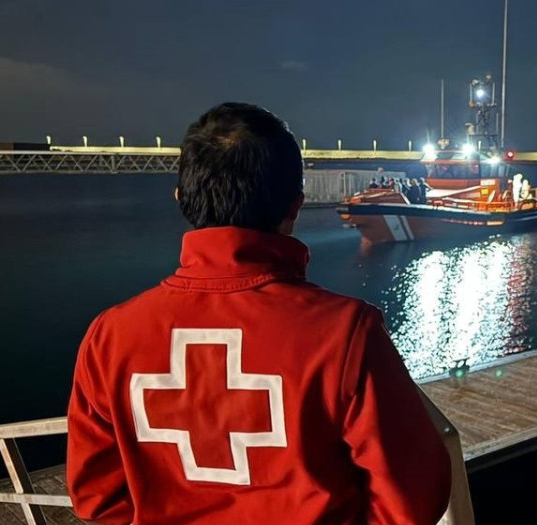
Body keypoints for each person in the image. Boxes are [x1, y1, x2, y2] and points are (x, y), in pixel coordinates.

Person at [67, 102, 452, 525]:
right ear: (295, 206)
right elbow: (410, 500)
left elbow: (96, 496)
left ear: (181, 200)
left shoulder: (111, 335)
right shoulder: (345, 333)